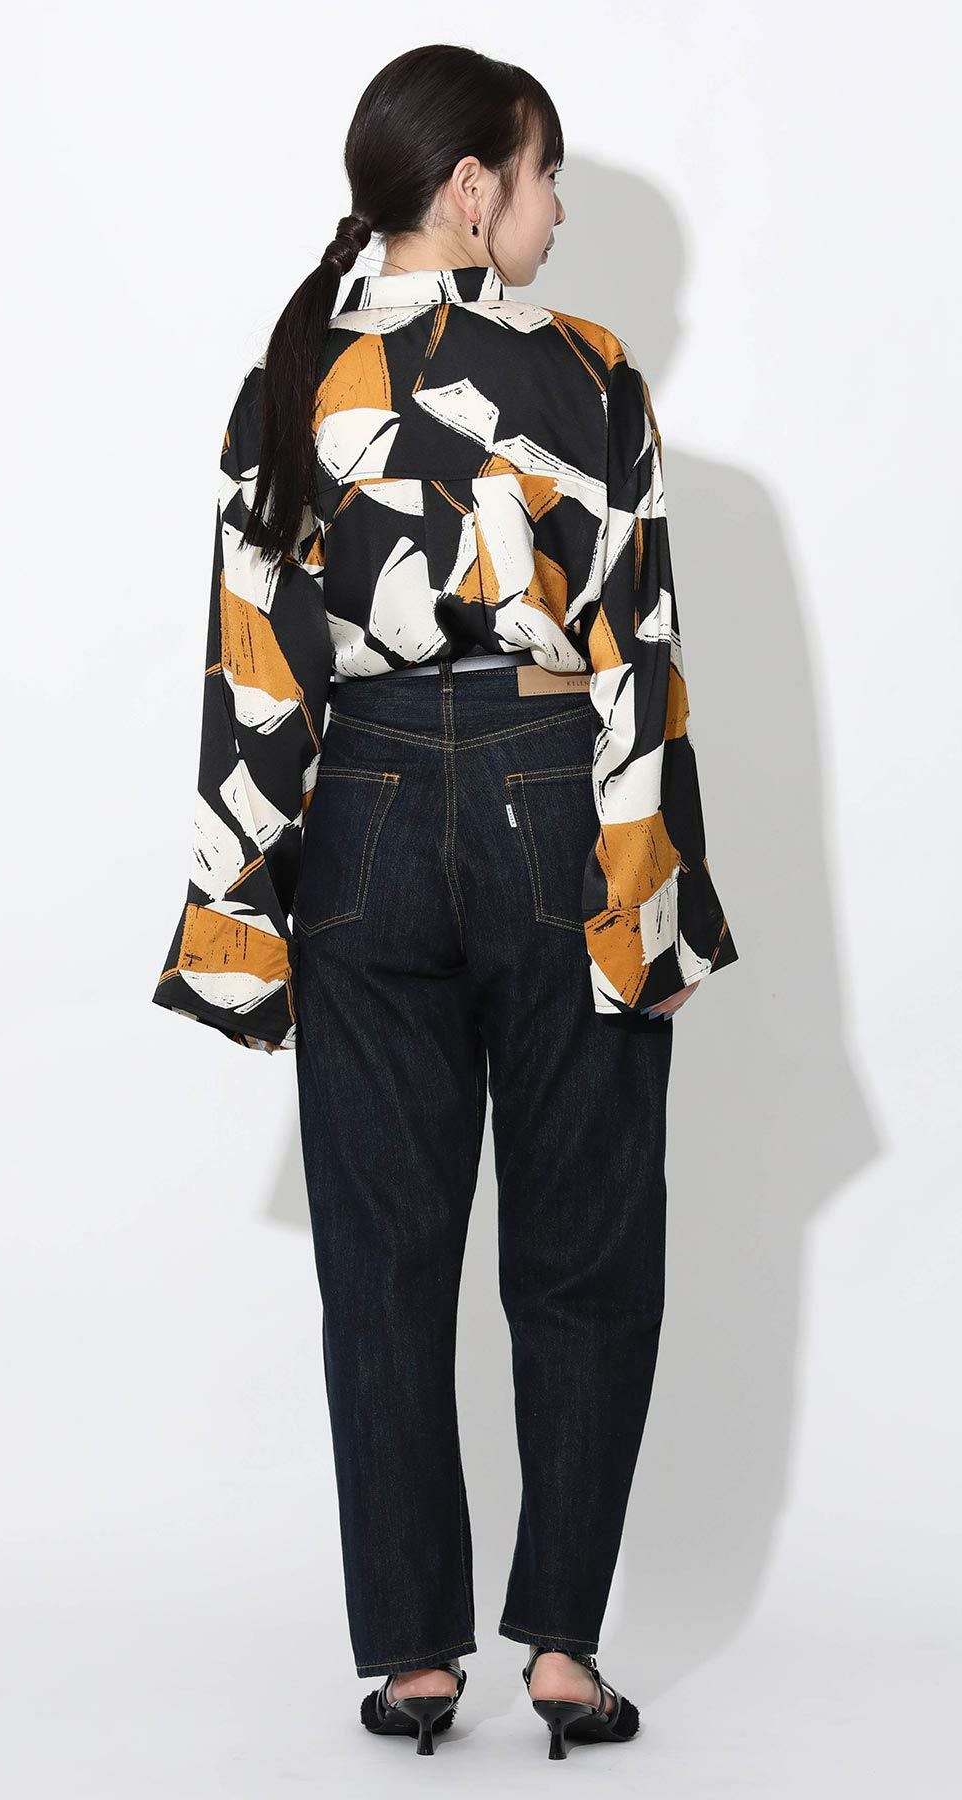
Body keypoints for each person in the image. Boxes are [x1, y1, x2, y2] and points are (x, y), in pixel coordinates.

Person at [150, 43, 738, 1759]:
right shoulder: (594, 377)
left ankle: (414, 1658)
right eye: (546, 177)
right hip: (559, 806)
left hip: (368, 817)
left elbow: (255, 676)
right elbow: (640, 660)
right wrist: (655, 913)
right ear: (473, 190)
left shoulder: (291, 378)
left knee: (384, 1261)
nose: (557, 212)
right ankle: (559, 1649)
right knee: (586, 1249)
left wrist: (242, 928)